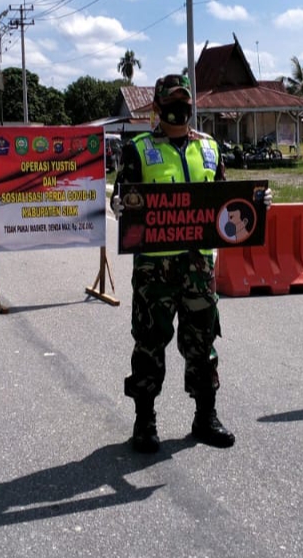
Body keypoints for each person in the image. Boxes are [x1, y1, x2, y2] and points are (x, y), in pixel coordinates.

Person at [110, 74, 270, 454]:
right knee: (149, 344)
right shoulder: (138, 150)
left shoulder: (211, 149)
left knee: (202, 343)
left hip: (199, 269)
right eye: (171, 104)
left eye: (185, 103)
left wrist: (256, 204)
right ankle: (144, 422)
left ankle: (205, 415)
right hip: (154, 271)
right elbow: (123, 199)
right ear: (157, 108)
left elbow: (227, 201)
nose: (180, 111)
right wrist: (120, 207)